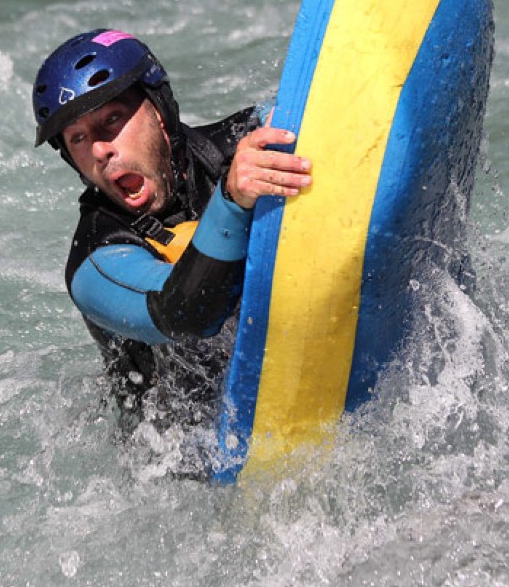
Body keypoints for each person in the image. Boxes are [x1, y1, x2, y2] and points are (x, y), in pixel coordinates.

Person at [33, 29, 312, 416]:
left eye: (112, 119)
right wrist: (231, 201)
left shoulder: (229, 147)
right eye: (78, 138)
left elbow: (318, 112)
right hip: (179, 458)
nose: (99, 149)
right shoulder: (94, 260)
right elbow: (184, 314)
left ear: (160, 113)